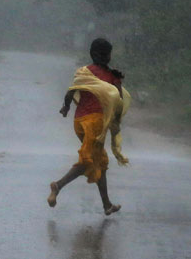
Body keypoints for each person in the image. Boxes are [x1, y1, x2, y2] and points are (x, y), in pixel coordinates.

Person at [47, 38, 131, 215]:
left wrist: (66, 106)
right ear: (108, 56)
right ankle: (58, 186)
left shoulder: (84, 72)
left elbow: (71, 90)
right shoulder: (112, 76)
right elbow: (119, 101)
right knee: (89, 160)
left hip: (79, 122)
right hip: (95, 123)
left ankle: (107, 204)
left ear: (92, 54)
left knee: (99, 160)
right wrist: (116, 121)